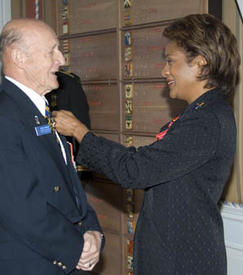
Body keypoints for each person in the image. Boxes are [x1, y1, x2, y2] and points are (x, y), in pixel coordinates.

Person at [53, 14, 241, 275]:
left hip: (182, 263)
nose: (164, 71)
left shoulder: (206, 120)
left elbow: (136, 169)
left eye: (170, 61)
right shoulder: (203, 113)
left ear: (201, 63)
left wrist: (80, 132)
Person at [0, 19, 103, 275]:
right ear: (19, 57)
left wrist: (93, 231)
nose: (60, 60)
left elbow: (68, 186)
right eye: (51, 50)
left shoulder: (38, 111)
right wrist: (77, 248)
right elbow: (22, 208)